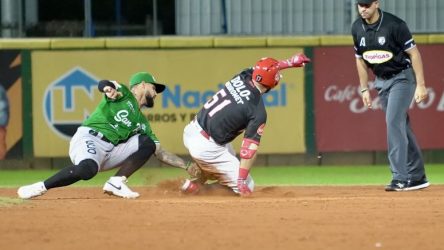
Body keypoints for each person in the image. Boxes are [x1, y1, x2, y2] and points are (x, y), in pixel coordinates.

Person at [18, 72, 200, 199]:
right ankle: (41, 187)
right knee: (86, 171)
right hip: (90, 138)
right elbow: (105, 83)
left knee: (149, 143)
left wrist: (187, 165)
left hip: (110, 151)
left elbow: (160, 153)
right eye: (154, 88)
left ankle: (116, 181)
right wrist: (108, 89)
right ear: (142, 85)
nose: (156, 93)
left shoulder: (142, 123)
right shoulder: (125, 95)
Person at [181, 53, 310, 196]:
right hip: (207, 147)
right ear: (273, 84)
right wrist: (241, 180)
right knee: (248, 184)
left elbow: (262, 70)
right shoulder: (257, 110)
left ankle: (193, 183)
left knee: (223, 162)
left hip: (192, 130)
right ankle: (198, 190)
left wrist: (289, 62)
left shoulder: (243, 75)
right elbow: (248, 150)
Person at [351, 0, 429, 191]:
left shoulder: (395, 25)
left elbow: (414, 54)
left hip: (401, 78)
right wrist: (363, 89)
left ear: (376, 4)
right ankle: (418, 177)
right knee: (401, 126)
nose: (363, 9)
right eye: (360, 5)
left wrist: (421, 85)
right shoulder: (356, 28)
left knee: (393, 122)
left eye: (367, 5)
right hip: (380, 80)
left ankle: (400, 177)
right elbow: (360, 61)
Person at [0, 84, 9, 160]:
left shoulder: (1, 90)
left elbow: (4, 106)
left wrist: (3, 122)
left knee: (1, 142)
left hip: (0, 122)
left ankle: (2, 163)